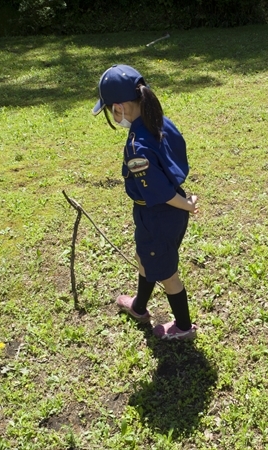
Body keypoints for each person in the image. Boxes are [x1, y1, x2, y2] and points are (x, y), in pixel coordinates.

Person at [92, 64, 199, 340]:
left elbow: (160, 192)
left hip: (158, 214)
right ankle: (139, 307)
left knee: (168, 273)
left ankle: (184, 328)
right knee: (145, 257)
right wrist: (183, 199)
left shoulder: (137, 147)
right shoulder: (160, 121)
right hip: (169, 211)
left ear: (119, 108)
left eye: (110, 111)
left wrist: (187, 204)